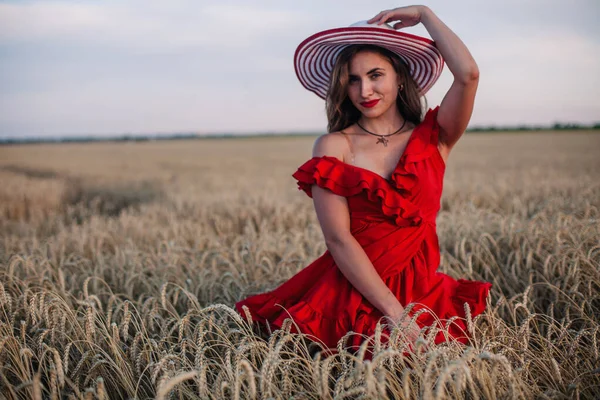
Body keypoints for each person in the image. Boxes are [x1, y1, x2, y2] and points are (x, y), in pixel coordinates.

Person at [235, 5, 492, 359]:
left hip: (423, 292)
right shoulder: (334, 146)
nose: (364, 90)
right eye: (352, 80)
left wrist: (424, 15)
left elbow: (468, 75)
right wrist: (396, 314)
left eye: (375, 75)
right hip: (354, 294)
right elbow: (339, 240)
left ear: (400, 77)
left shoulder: (436, 138)